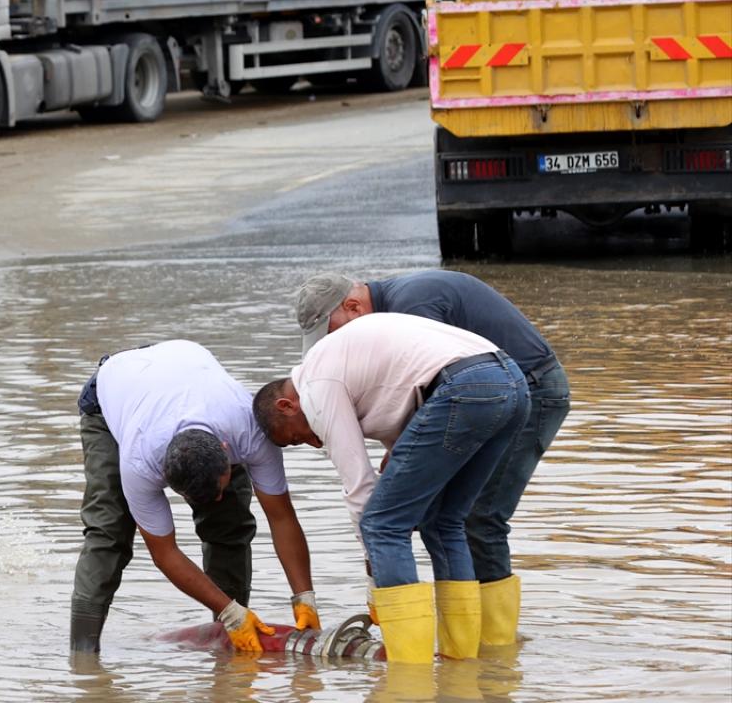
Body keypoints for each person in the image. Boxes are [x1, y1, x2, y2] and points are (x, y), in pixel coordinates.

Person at [294, 270, 569, 646]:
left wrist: (377, 565)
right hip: (498, 384)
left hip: (531, 386)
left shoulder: (414, 304)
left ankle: (487, 643)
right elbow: (419, 388)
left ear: (353, 306)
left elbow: (439, 380)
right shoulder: (395, 304)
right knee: (446, 518)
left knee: (475, 518)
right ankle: (474, 651)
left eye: (331, 331)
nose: (332, 344)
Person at [253, 313, 530, 664]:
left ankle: (409, 671)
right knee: (444, 522)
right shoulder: (340, 365)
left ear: (286, 406)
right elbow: (402, 416)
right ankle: (467, 660)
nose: (313, 443)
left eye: (297, 437)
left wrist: (376, 584)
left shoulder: (316, 385)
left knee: (381, 525)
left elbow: (359, 488)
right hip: (511, 384)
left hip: (465, 388)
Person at [70, 340, 317, 655]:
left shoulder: (250, 432)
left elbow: (281, 517)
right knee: (109, 532)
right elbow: (165, 553)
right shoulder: (140, 462)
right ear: (165, 475)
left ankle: (230, 645)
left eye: (218, 488)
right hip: (112, 394)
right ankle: (82, 656)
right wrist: (230, 611)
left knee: (229, 522)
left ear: (227, 453)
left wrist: (304, 596)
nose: (215, 499)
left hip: (177, 370)